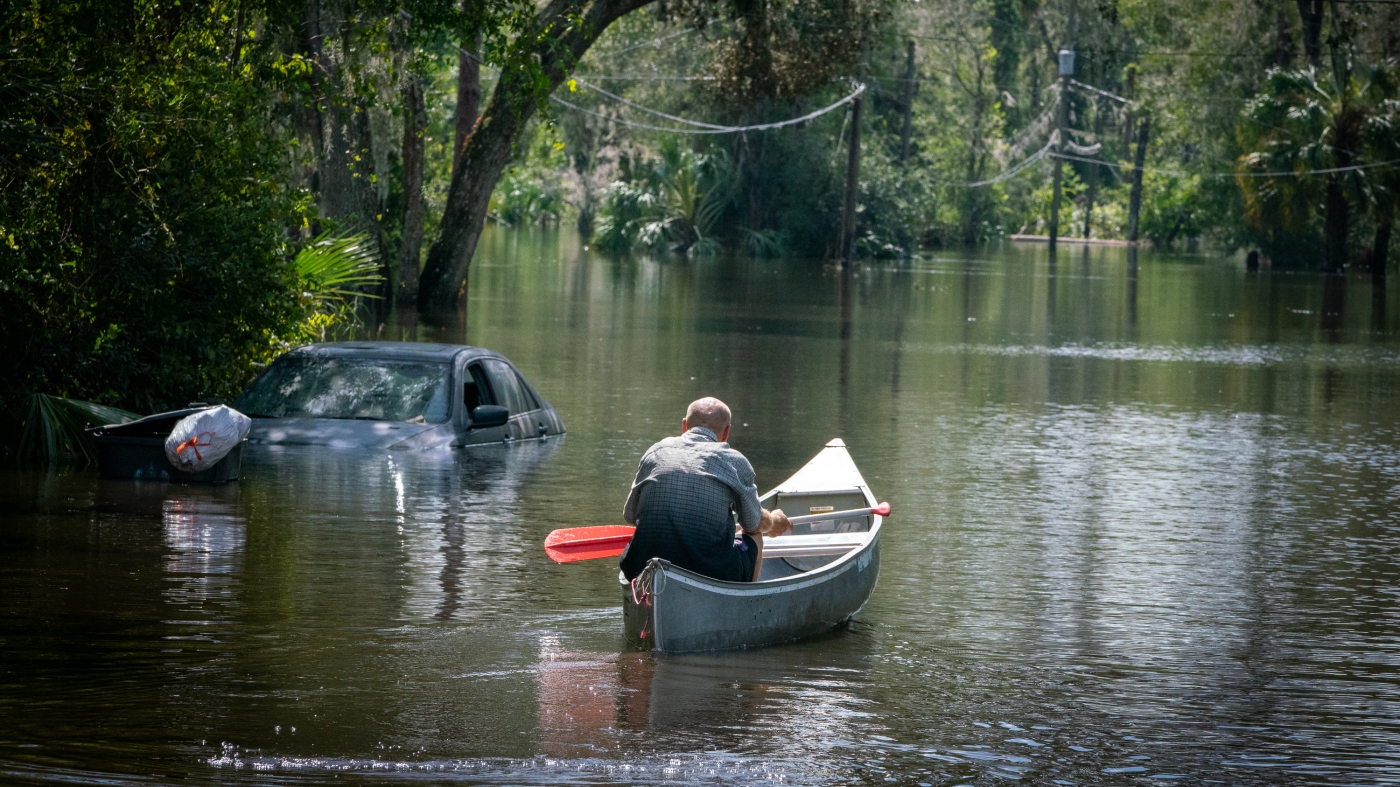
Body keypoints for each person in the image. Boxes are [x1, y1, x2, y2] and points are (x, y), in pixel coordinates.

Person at [619, 397, 792, 582]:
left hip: (642, 568)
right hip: (710, 574)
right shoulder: (734, 461)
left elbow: (631, 516)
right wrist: (773, 521)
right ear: (726, 432)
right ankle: (743, 603)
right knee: (754, 537)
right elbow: (752, 524)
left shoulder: (654, 452)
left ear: (684, 426)